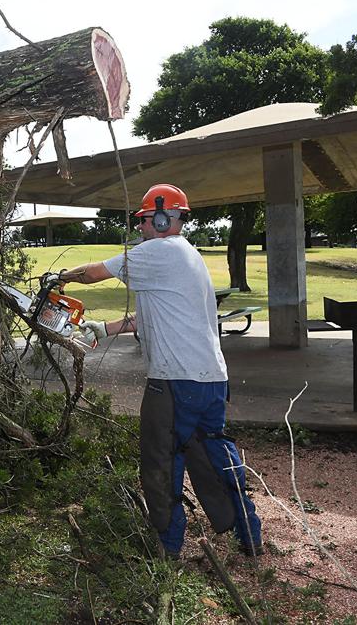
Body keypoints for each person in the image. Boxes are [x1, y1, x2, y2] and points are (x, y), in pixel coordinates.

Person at [54, 183, 262, 559]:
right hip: (211, 379)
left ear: (165, 217)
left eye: (145, 221)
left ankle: (167, 547)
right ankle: (248, 532)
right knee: (213, 454)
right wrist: (106, 328)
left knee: (161, 460)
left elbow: (95, 273)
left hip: (175, 381)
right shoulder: (185, 254)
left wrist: (62, 277)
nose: (141, 229)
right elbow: (153, 314)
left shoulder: (159, 250)